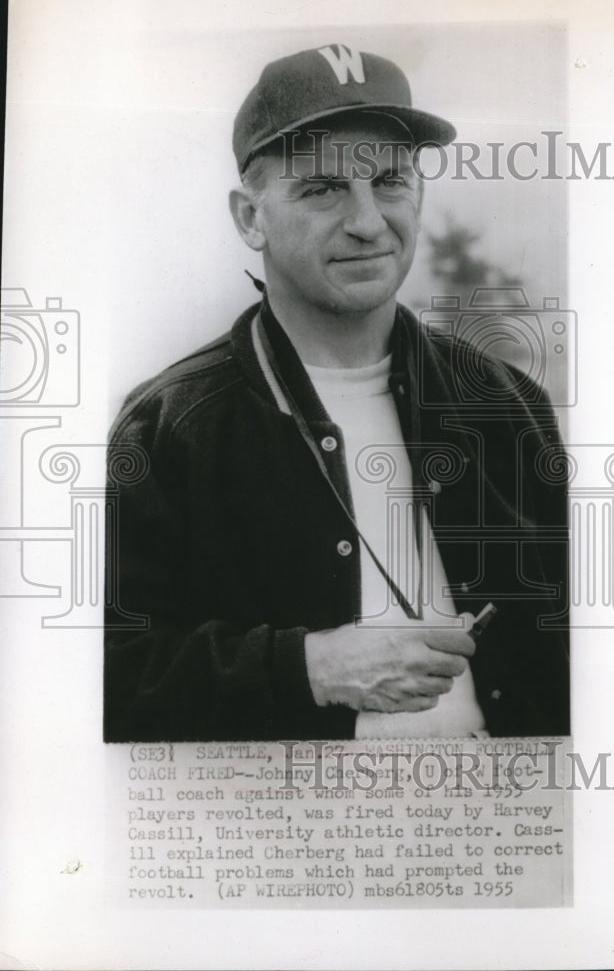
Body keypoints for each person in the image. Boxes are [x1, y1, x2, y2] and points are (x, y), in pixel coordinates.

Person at [104, 43, 570, 742]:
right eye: (321, 189)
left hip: (505, 834)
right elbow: (99, 681)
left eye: (389, 181)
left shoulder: (505, 403)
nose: (367, 221)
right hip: (289, 842)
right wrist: (307, 668)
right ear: (249, 217)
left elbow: (592, 652)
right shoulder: (167, 426)